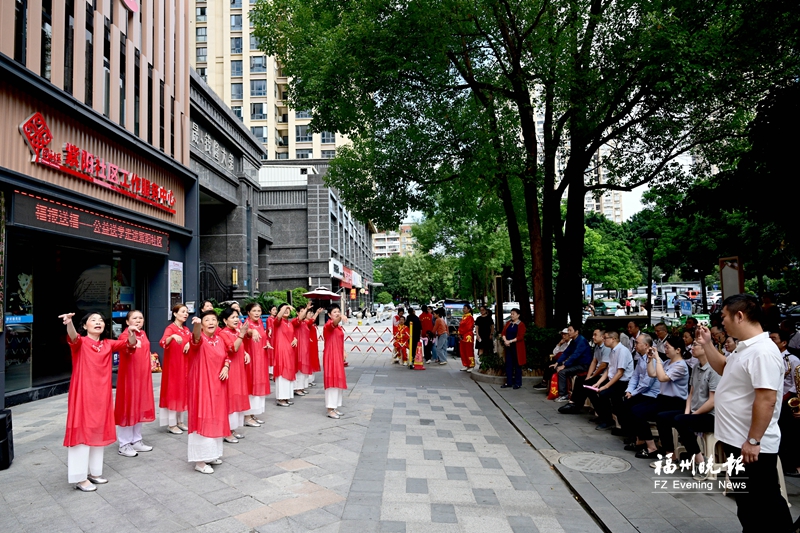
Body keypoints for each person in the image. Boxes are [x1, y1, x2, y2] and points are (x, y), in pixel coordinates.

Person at [695, 294, 792, 532]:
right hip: (736, 441)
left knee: (766, 502)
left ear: (739, 316)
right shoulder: (743, 349)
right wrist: (707, 344)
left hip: (751, 445)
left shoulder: (763, 351)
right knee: (748, 502)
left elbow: (767, 399)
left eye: (724, 316)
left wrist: (753, 439)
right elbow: (725, 369)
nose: (722, 322)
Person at [60, 311, 138, 491]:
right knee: (82, 431)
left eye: (101, 320)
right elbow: (73, 336)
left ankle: (94, 473)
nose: (98, 322)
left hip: (102, 395)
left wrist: (132, 332)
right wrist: (69, 323)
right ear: (85, 325)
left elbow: (130, 344)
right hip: (83, 394)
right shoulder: (81, 343)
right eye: (92, 320)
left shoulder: (107, 344)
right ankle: (80, 477)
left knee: (98, 429)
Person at [652, 339, 720, 478]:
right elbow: (691, 393)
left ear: (706, 348)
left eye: (695, 345)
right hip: (695, 411)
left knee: (681, 420)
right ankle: (671, 456)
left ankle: (700, 460)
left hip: (711, 415)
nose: (691, 348)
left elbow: (713, 401)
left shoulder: (714, 370)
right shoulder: (695, 367)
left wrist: (692, 416)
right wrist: (687, 412)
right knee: (662, 417)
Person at [629, 335, 689, 459]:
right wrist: (650, 360)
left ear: (678, 350)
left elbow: (662, 378)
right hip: (663, 399)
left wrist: (657, 358)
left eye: (667, 347)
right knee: (636, 410)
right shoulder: (667, 362)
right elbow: (652, 374)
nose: (665, 350)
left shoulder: (681, 365)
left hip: (675, 402)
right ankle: (651, 446)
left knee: (659, 417)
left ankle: (665, 452)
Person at [186, 310, 229, 474]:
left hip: (218, 385)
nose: (211, 322)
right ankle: (200, 461)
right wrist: (196, 326)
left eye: (213, 319)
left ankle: (212, 454)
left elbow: (226, 357)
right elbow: (195, 338)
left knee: (216, 416)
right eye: (207, 320)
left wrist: (226, 366)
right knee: (203, 416)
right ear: (202, 324)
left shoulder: (219, 339)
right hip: (202, 385)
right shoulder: (199, 339)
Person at [115, 310, 156, 458]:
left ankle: (136, 439)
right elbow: (129, 345)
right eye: (134, 318)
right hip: (129, 377)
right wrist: (131, 335)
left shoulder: (143, 334)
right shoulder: (125, 336)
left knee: (139, 407)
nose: (138, 320)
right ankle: (124, 444)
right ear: (127, 322)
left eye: (140, 318)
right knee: (128, 408)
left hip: (142, 376)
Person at [617, 334, 660, 448]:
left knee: (634, 410)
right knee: (623, 405)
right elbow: (635, 377)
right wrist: (629, 390)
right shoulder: (641, 358)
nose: (635, 345)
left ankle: (641, 440)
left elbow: (647, 383)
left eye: (637, 343)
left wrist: (633, 393)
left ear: (646, 345)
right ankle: (635, 436)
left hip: (651, 395)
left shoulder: (653, 360)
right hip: (641, 392)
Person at [218, 307, 251, 444]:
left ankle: (233, 428)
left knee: (237, 395)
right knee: (230, 398)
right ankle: (227, 431)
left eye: (237, 317)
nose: (236, 319)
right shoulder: (223, 334)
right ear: (225, 321)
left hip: (239, 368)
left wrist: (245, 353)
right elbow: (232, 348)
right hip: (230, 369)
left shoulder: (237, 331)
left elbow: (240, 348)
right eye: (232, 317)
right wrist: (242, 335)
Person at [588, 331, 633, 430]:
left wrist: (606, 386)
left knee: (604, 394)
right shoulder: (613, 350)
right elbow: (609, 369)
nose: (604, 340)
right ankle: (604, 417)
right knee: (592, 388)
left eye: (606, 338)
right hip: (614, 379)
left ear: (613, 339)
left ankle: (608, 420)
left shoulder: (622, 351)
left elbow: (620, 373)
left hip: (623, 382)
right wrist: (598, 383)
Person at [558, 328, 610, 414]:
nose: (593, 337)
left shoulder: (606, 347)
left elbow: (603, 366)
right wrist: (589, 376)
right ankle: (574, 403)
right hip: (597, 373)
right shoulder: (597, 347)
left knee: (587, 385)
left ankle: (580, 406)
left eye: (595, 335)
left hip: (604, 375)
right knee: (580, 379)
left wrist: (592, 377)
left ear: (602, 336)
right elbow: (594, 362)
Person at [771, 330, 800, 477]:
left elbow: (796, 383)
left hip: (786, 400)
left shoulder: (793, 359)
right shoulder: (770, 357)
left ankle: (789, 464)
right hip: (774, 399)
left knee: (787, 434)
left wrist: (784, 397)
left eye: (774, 339)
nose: (771, 342)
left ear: (784, 343)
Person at [159, 304, 192, 434]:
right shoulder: (170, 328)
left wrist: (189, 343)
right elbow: (162, 342)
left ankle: (180, 421)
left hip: (185, 365)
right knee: (173, 391)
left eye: (187, 312)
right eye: (183, 311)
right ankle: (171, 423)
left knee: (182, 391)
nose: (186, 314)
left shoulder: (186, 329)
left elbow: (193, 341)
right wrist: (171, 337)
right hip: (173, 365)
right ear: (175, 313)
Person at [549, 325, 593, 402]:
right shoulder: (573, 341)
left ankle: (563, 395)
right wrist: (557, 362)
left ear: (576, 332)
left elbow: (575, 355)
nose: (568, 332)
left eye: (570, 330)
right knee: (556, 367)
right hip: (577, 364)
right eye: (568, 330)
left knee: (562, 372)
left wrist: (564, 365)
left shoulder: (581, 341)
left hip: (583, 365)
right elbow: (566, 353)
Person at [242, 303, 269, 426]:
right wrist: (252, 331)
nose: (257, 313)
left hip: (261, 358)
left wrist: (266, 342)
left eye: (259, 310)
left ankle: (253, 414)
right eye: (254, 310)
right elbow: (247, 332)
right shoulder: (247, 324)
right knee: (251, 385)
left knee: (258, 385)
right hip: (251, 360)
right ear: (248, 312)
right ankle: (247, 416)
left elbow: (262, 337)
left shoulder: (260, 323)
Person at [293, 303, 324, 396]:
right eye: (302, 312)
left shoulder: (304, 323)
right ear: (297, 313)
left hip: (305, 349)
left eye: (305, 311)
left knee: (303, 370)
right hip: (298, 350)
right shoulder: (296, 321)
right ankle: (297, 388)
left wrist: (317, 313)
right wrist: (307, 308)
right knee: (299, 370)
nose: (305, 313)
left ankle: (301, 387)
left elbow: (312, 321)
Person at [323, 306, 347, 419]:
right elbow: (333, 323)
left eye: (338, 311)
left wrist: (344, 351)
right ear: (329, 315)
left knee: (338, 380)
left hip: (338, 356)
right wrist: (340, 317)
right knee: (332, 381)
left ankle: (335, 406)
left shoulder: (338, 328)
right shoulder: (328, 325)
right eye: (334, 312)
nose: (337, 313)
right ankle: (329, 409)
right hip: (330, 356)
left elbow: (340, 340)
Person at [273, 304, 298, 407]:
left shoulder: (289, 323)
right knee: (282, 374)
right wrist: (286, 306)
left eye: (288, 310)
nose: (286, 311)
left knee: (289, 372)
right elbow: (278, 317)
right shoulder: (277, 322)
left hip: (290, 352)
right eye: (284, 310)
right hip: (281, 351)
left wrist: (295, 339)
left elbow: (292, 334)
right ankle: (280, 398)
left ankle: (286, 397)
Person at [501, 309, 526, 389]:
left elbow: (520, 337)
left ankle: (518, 383)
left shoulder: (521, 324)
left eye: (513, 314)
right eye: (511, 314)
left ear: (518, 315)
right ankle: (509, 382)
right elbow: (503, 333)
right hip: (508, 346)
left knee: (517, 364)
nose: (511, 315)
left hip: (517, 347)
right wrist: (505, 341)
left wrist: (510, 341)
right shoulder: (508, 323)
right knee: (509, 364)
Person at [458, 304, 476, 371]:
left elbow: (468, 327)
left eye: (465, 308)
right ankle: (465, 364)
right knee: (463, 350)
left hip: (468, 335)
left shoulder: (470, 317)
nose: (463, 309)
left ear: (469, 309)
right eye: (463, 308)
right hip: (463, 335)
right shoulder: (464, 317)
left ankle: (471, 365)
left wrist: (461, 332)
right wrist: (459, 333)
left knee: (469, 351)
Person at [266, 305, 278, 377]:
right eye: (273, 310)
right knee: (271, 353)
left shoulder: (275, 318)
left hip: (275, 337)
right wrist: (270, 331)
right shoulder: (269, 319)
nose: (275, 311)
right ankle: (270, 372)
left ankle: (273, 371)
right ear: (270, 311)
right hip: (271, 337)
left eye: (275, 309)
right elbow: (269, 327)